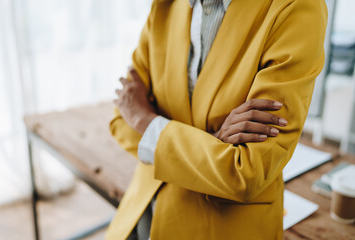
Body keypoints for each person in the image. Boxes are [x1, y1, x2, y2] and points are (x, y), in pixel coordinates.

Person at [106, 0, 327, 239]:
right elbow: (121, 121)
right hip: (141, 214)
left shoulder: (295, 7)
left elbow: (247, 171)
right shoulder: (166, 5)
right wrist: (213, 142)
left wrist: (145, 121)